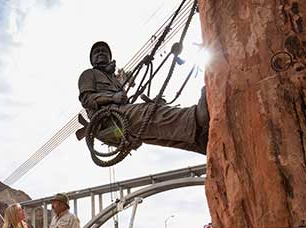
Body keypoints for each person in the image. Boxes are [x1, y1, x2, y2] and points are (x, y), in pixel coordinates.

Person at [77, 41, 210, 154]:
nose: (100, 53)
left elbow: (124, 102)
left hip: (118, 116)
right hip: (106, 119)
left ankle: (200, 142)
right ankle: (196, 118)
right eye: (97, 52)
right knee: (148, 113)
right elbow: (87, 99)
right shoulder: (88, 74)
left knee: (153, 130)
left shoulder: (115, 80)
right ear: (92, 60)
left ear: (109, 57)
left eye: (104, 51)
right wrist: (113, 98)